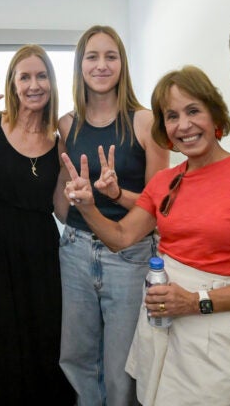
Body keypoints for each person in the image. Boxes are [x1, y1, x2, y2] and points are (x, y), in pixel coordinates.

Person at [62, 65, 230, 405]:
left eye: (193, 111)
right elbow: (122, 237)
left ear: (215, 114)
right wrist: (87, 206)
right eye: (172, 116)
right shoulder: (165, 181)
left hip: (213, 329)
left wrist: (196, 301)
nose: (183, 125)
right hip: (160, 319)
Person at [57, 25, 169, 406]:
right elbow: (62, 202)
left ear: (122, 64)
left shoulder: (145, 122)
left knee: (123, 365)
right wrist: (76, 197)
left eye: (111, 56)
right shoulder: (67, 125)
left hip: (130, 254)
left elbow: (156, 208)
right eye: (92, 56)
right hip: (74, 248)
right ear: (80, 65)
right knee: (77, 356)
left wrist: (115, 194)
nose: (101, 65)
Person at [0, 44, 75, 405]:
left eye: (41, 75)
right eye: (25, 76)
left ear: (52, 82)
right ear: (13, 84)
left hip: (43, 253)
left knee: (45, 341)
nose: (34, 85)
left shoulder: (57, 141)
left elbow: (60, 209)